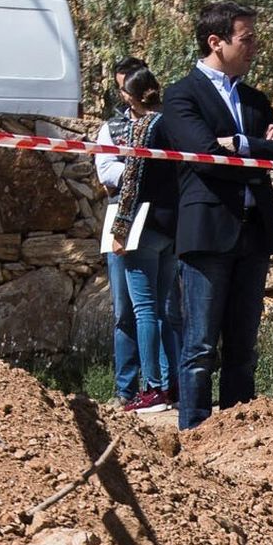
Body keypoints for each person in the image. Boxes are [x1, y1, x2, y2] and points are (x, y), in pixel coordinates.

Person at [154, 2, 273, 432]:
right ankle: (196, 433)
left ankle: (239, 434)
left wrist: (240, 143)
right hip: (208, 233)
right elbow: (204, 158)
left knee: (244, 347)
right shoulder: (182, 95)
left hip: (253, 234)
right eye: (247, 38)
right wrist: (258, 146)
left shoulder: (256, 100)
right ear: (215, 42)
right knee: (200, 346)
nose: (255, 46)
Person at [103, 68, 180, 412]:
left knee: (144, 310)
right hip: (172, 226)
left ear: (129, 98)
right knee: (164, 310)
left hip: (143, 228)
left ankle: (152, 389)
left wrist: (119, 230)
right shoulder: (176, 123)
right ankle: (171, 383)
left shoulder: (143, 128)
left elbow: (130, 184)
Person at [95, 56, 149, 403]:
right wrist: (142, 172)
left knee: (163, 309)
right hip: (121, 220)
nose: (125, 95)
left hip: (158, 220)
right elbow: (106, 173)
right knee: (124, 311)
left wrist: (132, 171)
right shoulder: (110, 129)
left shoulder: (163, 124)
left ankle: (161, 385)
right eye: (120, 88)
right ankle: (126, 390)